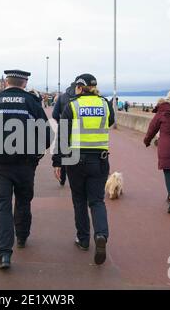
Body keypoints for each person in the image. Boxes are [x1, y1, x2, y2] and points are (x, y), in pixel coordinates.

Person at [0, 69, 51, 270]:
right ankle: (22, 237)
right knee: (24, 201)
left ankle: (4, 254)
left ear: (7, 81)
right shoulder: (32, 103)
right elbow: (47, 135)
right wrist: (37, 154)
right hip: (26, 164)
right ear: (24, 83)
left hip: (0, 165)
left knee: (2, 206)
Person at [52, 74, 115, 265]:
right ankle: (101, 235)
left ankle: (83, 239)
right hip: (100, 159)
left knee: (79, 200)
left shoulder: (72, 105)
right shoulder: (105, 104)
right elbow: (110, 122)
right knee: (96, 201)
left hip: (75, 160)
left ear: (80, 87)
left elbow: (63, 135)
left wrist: (57, 161)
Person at [52, 82, 77, 186]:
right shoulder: (80, 98)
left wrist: (60, 121)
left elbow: (54, 114)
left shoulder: (62, 97)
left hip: (64, 126)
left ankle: (62, 178)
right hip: (79, 129)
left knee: (63, 151)